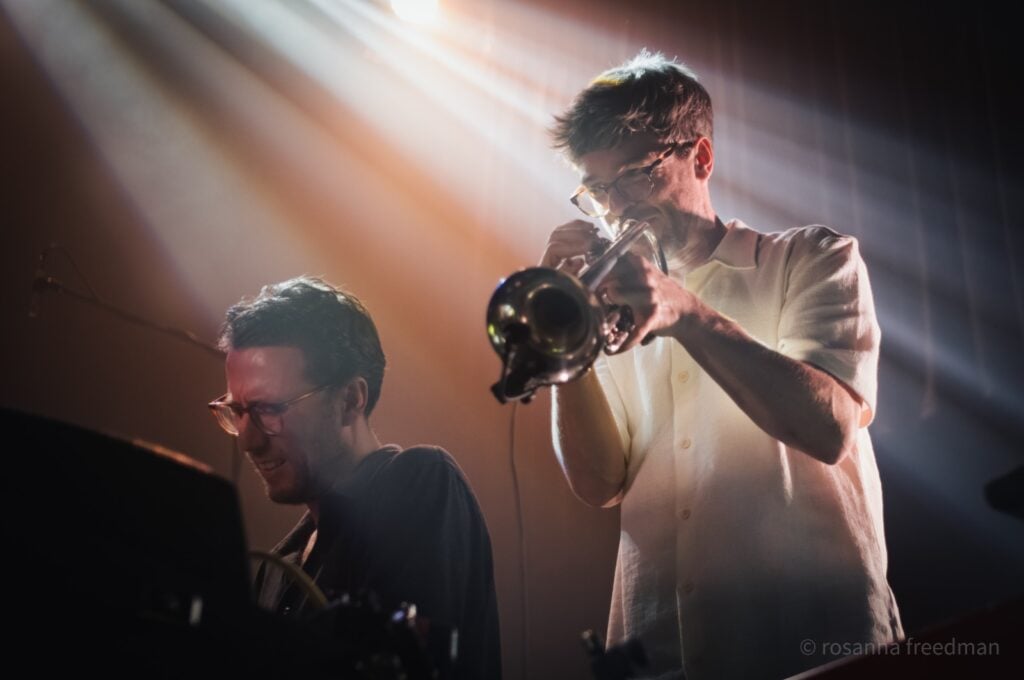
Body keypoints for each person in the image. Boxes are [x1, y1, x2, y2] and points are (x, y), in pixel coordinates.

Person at [540, 52, 903, 679]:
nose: (616, 206)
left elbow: (830, 428)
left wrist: (685, 312)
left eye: (633, 175)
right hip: (661, 655)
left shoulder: (813, 258)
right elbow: (599, 484)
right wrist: (564, 345)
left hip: (813, 642)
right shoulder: (607, 308)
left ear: (701, 158)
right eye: (597, 191)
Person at [209, 276, 501, 679]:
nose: (247, 440)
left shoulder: (418, 482)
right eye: (237, 411)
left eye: (268, 409)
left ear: (350, 400)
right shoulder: (278, 566)